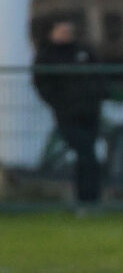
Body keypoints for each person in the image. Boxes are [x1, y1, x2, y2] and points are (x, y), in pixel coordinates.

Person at [33, 18, 106, 206]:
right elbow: (42, 84)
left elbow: (99, 76)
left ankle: (89, 199)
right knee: (86, 155)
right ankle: (87, 199)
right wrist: (59, 103)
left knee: (89, 156)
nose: (66, 34)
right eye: (62, 30)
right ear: (52, 32)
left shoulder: (83, 52)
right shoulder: (46, 56)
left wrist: (97, 96)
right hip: (67, 114)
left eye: (69, 31)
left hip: (90, 112)